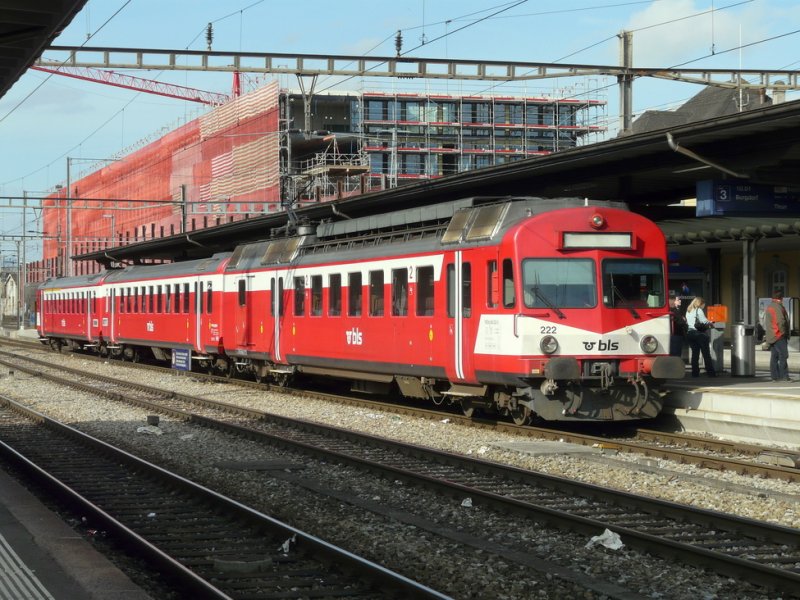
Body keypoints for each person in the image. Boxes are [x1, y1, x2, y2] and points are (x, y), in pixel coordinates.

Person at [685, 296, 716, 377]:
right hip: (699, 334)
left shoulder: (689, 310)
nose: (704, 306)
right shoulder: (699, 310)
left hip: (690, 333)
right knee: (706, 354)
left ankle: (695, 373)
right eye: (703, 304)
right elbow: (704, 321)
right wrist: (711, 323)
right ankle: (711, 373)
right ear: (700, 303)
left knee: (695, 354)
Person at [764, 291, 791, 382]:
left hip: (772, 336)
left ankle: (774, 377)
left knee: (774, 356)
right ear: (781, 298)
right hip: (778, 335)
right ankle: (784, 376)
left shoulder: (770, 306)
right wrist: (783, 333)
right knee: (784, 355)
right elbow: (781, 321)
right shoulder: (778, 307)